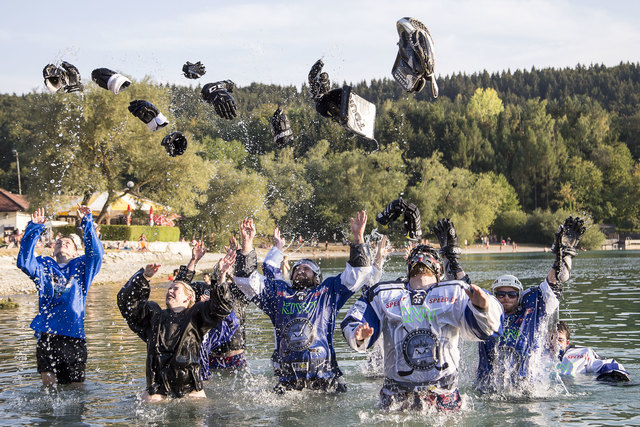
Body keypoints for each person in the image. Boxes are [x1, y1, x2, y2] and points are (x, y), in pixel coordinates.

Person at [341, 218, 503, 411]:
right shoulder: (384, 293)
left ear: (439, 270)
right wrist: (358, 335)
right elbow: (354, 320)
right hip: (396, 395)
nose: (422, 258)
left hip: (443, 395)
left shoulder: (455, 291)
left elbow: (489, 329)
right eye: (418, 255)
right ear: (409, 266)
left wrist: (482, 308)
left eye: (428, 255)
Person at [233, 212, 372, 393]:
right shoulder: (278, 293)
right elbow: (245, 280)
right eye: (297, 268)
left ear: (317, 278)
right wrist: (247, 244)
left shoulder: (328, 292)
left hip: (325, 379)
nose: (300, 270)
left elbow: (359, 273)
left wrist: (358, 238)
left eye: (307, 269)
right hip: (288, 381)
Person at [475, 217, 586, 392]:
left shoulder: (530, 310)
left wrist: (564, 255)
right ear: (494, 296)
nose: (506, 298)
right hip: (490, 389)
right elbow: (461, 292)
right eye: (501, 294)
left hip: (526, 388)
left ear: (518, 296)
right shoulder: (486, 315)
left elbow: (554, 281)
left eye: (511, 294)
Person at [117, 241, 237, 401]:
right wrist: (143, 278)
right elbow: (126, 304)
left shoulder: (196, 316)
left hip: (191, 393)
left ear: (188, 297)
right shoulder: (153, 316)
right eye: (169, 288)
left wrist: (221, 276)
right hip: (156, 393)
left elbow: (221, 307)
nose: (170, 291)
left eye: (175, 289)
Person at [16, 206, 104, 386]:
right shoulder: (43, 266)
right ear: (52, 250)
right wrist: (34, 228)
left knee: (76, 389)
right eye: (58, 243)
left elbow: (96, 254)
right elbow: (24, 262)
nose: (62, 243)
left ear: (75, 253)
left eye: (68, 243)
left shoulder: (82, 268)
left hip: (74, 336)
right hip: (48, 335)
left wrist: (87, 222)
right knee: (49, 389)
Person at [201, 241, 252, 372]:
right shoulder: (208, 292)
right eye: (219, 270)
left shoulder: (239, 292)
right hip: (212, 356)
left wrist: (239, 254)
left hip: (235, 355)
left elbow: (246, 276)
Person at [552, 321, 630, 382]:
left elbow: (605, 364)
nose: (555, 343)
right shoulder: (539, 354)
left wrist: (616, 374)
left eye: (560, 340)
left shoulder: (582, 353)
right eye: (552, 338)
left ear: (567, 343)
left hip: (578, 389)